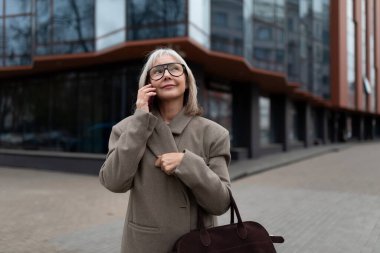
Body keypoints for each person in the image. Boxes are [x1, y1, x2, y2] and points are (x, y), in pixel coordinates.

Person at [99, 48, 231, 253]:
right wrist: (140, 120)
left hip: (198, 244)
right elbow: (114, 182)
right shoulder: (126, 129)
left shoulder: (214, 133)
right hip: (145, 244)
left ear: (187, 81)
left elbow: (221, 203)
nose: (167, 74)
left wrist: (188, 164)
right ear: (148, 84)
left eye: (175, 69)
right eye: (158, 71)